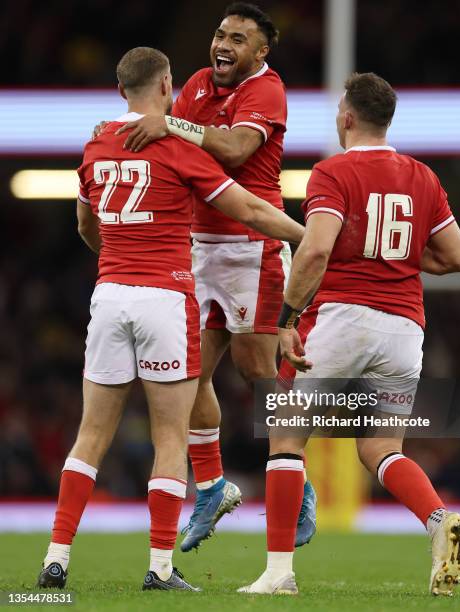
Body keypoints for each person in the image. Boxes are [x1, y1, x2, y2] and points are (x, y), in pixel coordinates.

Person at [37, 46, 304, 592]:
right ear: (166, 88)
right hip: (165, 296)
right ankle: (159, 569)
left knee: (89, 436)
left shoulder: (94, 145)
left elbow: (86, 225)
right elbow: (250, 210)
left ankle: (55, 559)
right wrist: (311, 240)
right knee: (167, 437)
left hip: (109, 295)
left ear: (119, 91)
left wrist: (118, 254)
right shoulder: (174, 146)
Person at [239, 72, 460, 596]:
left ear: (346, 117)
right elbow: (457, 257)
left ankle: (278, 574)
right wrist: (401, 259)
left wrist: (287, 319)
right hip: (404, 329)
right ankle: (438, 521)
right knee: (380, 447)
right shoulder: (423, 177)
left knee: (286, 436)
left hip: (342, 318)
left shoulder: (332, 172)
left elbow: (316, 249)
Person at [113, 2, 317, 552]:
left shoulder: (268, 91)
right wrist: (126, 131)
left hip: (254, 246)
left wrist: (169, 123)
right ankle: (211, 486)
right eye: (220, 33)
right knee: (186, 373)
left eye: (238, 38)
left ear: (261, 51)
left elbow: (232, 148)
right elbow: (167, 143)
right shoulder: (199, 83)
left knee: (257, 370)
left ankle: (296, 481)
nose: (223, 44)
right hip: (200, 248)